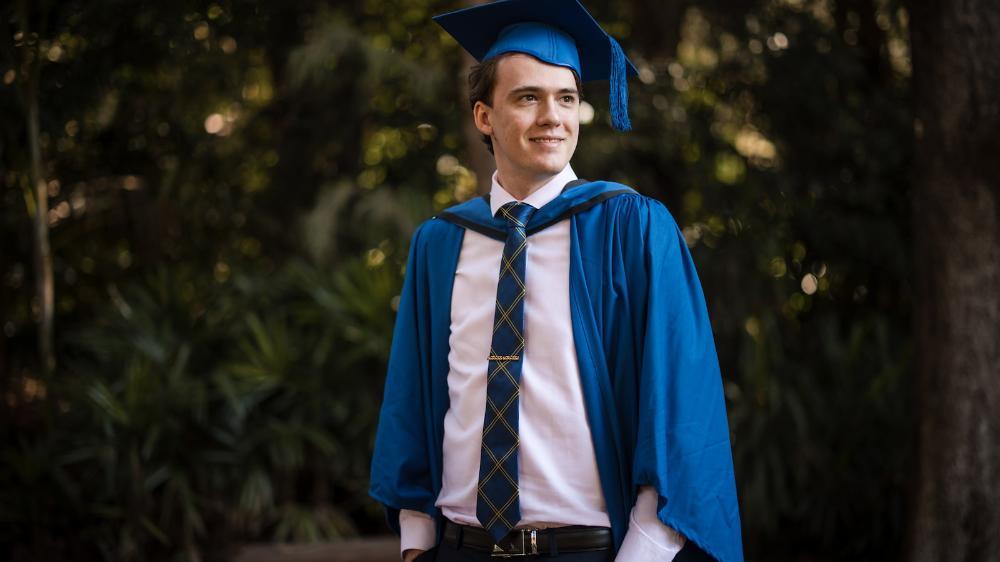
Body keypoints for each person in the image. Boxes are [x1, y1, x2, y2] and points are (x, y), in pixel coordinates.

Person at [369, 1, 743, 560]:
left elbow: (680, 406)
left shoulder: (630, 227)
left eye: (566, 98)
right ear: (484, 117)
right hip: (461, 547)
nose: (553, 117)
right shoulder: (441, 243)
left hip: (589, 550)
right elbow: (412, 396)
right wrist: (416, 543)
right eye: (528, 98)